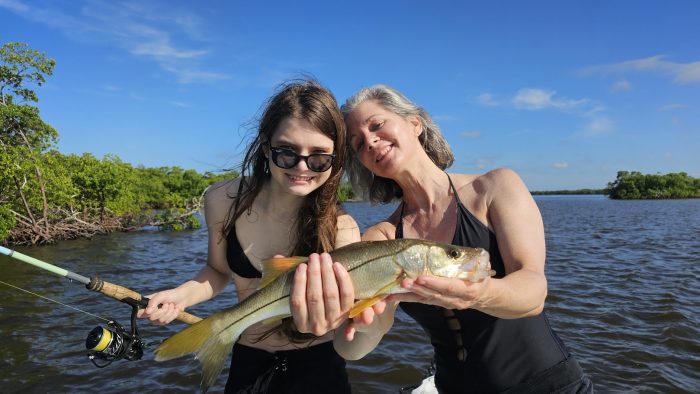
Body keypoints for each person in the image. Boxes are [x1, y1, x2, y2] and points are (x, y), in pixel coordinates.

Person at [297, 84, 593, 393]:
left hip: (549, 385)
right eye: (357, 143)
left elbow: (534, 290)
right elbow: (355, 349)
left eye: (377, 125)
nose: (370, 141)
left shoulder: (493, 188)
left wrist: (478, 294)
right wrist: (353, 324)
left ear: (415, 123)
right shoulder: (381, 237)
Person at [138, 79, 360, 394]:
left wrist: (337, 320)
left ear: (335, 158)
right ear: (266, 147)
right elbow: (217, 272)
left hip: (320, 363)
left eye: (319, 157)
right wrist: (180, 296)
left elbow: (350, 312)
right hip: (249, 358)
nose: (302, 166)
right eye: (287, 152)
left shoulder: (344, 227)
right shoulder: (221, 199)